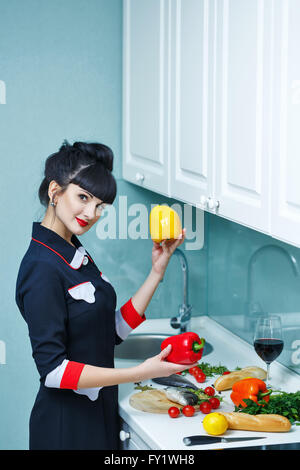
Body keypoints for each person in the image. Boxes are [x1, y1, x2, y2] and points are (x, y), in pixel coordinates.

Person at [15, 141, 196, 450]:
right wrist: (140, 372)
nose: (91, 213)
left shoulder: (72, 250)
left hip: (98, 415)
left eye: (100, 205)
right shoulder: (41, 267)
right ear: (55, 191)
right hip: (65, 429)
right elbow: (53, 371)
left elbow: (107, 332)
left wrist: (157, 271)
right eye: (83, 197)